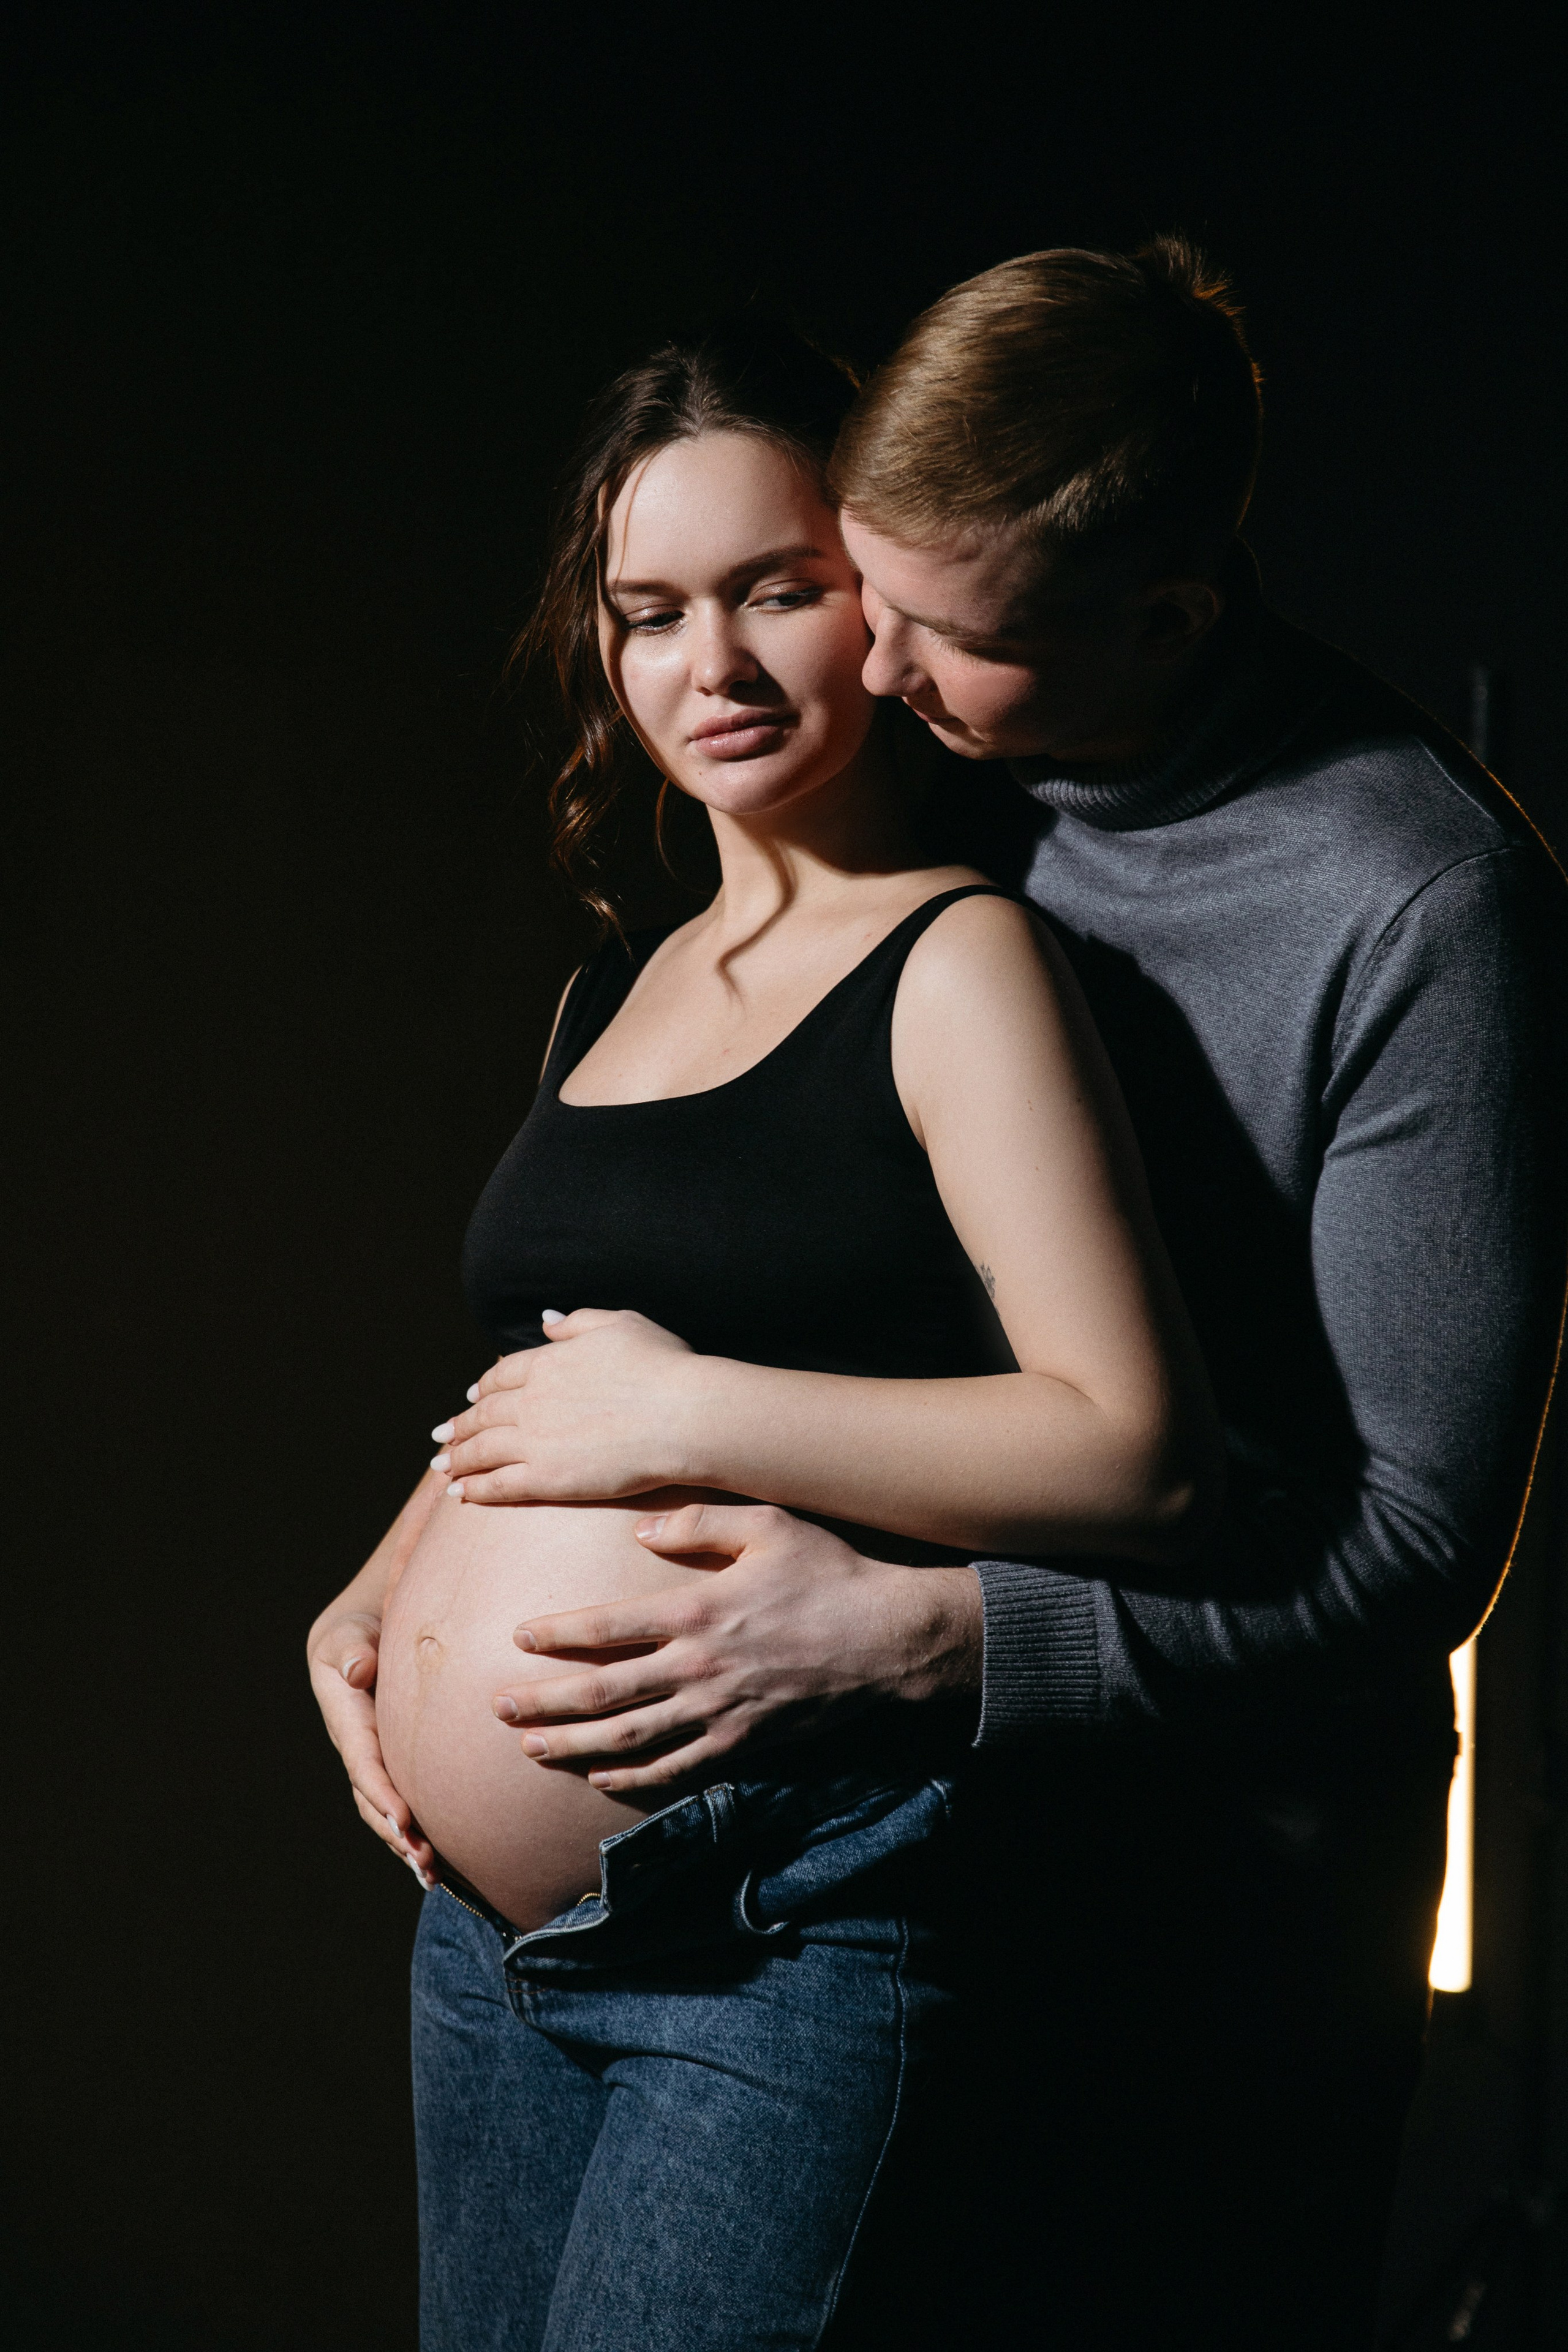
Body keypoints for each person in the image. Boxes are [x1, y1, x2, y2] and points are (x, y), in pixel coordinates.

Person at [404, 241, 1568, 2346]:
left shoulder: (1420, 901)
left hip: (1220, 1918)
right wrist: (399, 1578)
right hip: (893, 1845)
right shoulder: (933, 790)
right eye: (863, 588)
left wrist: (926, 1633)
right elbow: (699, 1260)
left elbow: (1405, 1542)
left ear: (1170, 620)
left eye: (937, 634)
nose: (873, 667)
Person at [306, 320, 1221, 2349]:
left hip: (780, 1914)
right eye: (647, 614)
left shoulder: (961, 961)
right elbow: (559, 1380)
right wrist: (376, 1599)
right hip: (487, 1940)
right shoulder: (616, 986)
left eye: (772, 595)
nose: (705, 670)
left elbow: (1129, 1444)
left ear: (875, 605)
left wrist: (691, 1412)